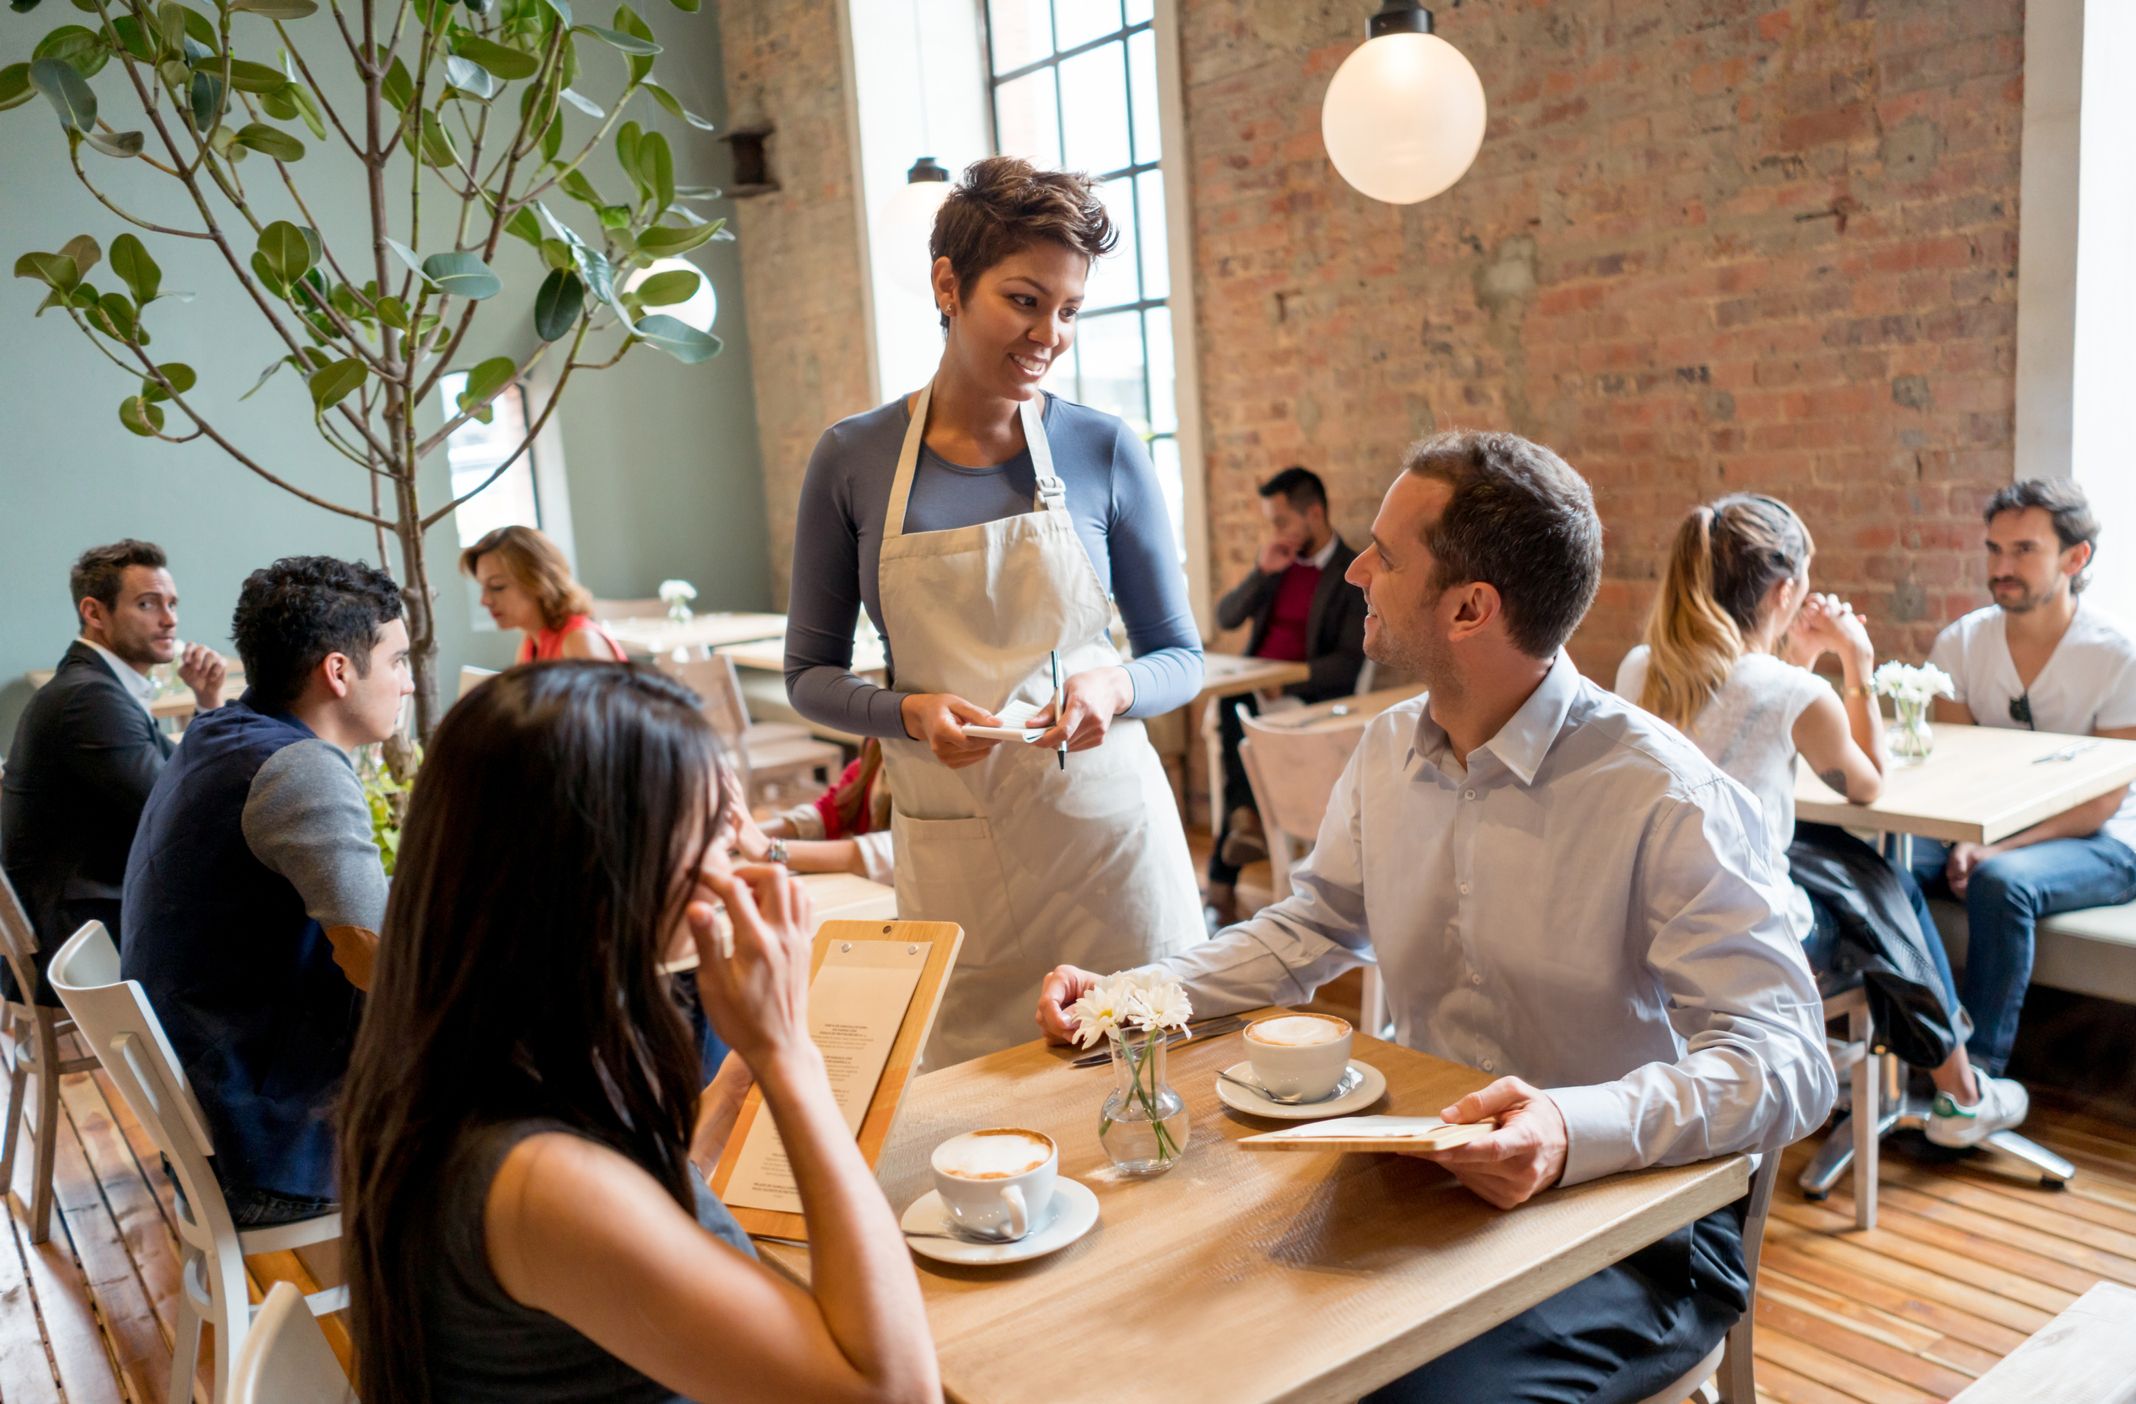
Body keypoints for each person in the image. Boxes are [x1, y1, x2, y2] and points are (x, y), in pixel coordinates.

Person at [1036, 432, 1834, 1404]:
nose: (1358, 572)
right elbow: (1307, 930)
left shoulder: (1663, 793)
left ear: (1470, 608)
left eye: (1386, 554)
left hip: (1628, 1223)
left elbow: (1789, 1060)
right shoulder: (1383, 752)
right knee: (1164, 1329)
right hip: (1417, 1178)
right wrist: (1131, 997)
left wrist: (1569, 1127)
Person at [339, 662, 939, 1404]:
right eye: (714, 832)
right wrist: (788, 1055)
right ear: (607, 870)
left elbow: (640, 1204)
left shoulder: (469, 1052)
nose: (740, 859)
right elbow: (893, 1391)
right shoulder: (539, 1182)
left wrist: (727, 1096)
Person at [785, 155, 1206, 1064]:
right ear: (948, 284)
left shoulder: (1101, 448)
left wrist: (1115, 689)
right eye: (1024, 300)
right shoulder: (853, 460)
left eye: (1069, 310)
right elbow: (808, 675)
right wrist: (905, 712)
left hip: (1111, 856)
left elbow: (1180, 655)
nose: (1049, 334)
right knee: (980, 1127)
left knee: (1148, 1111)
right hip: (956, 860)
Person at [1616, 494, 2026, 1145]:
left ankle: (1921, 1081)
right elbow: (1868, 783)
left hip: (1649, 916)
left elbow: (1747, 735)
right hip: (1748, 932)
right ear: (1784, 591)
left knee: (1859, 873)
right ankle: (1958, 1091)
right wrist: (1854, 661)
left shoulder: (1641, 667)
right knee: (1885, 889)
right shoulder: (1793, 692)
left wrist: (1796, 661)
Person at [121, 556, 410, 1226]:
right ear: (338, 672)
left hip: (224, 1107)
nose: (408, 684)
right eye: (396, 661)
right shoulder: (299, 768)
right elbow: (375, 959)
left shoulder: (222, 731)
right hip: (274, 1140)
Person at [1913, 478, 2136, 1111]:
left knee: (2002, 881)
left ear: (2076, 558)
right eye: (1994, 550)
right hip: (1984, 832)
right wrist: (1963, 839)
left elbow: (2100, 800)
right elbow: (1950, 771)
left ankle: (1975, 1087)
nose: (2001, 568)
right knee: (1882, 862)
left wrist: (1992, 847)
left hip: (2107, 840)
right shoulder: (1961, 643)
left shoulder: (2117, 655)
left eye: (2023, 551)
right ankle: (1925, 1048)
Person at [1, 540, 225, 999]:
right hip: (77, 943)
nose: (170, 619)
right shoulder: (89, 698)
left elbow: (178, 777)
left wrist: (206, 703)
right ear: (94, 612)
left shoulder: (95, 686)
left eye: (172, 604)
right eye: (148, 604)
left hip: (80, 917)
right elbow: (178, 810)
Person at [1205, 466, 1367, 923]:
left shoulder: (1350, 573)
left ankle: (1224, 876)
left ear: (1313, 514)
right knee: (1234, 704)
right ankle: (1243, 820)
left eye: (1281, 521)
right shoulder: (1277, 566)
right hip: (1254, 694)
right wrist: (1261, 571)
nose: (1275, 532)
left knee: (1238, 711)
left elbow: (1349, 662)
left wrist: (1289, 679)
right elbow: (1227, 617)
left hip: (1305, 701)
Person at [728, 739, 895, 883]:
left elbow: (892, 854)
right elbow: (832, 810)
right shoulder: (878, 747)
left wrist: (769, 849)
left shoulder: (917, 763)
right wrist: (743, 832)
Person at [460, 524, 627, 662]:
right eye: (483, 587)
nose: (485, 600)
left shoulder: (578, 641)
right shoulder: (530, 643)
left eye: (497, 586)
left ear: (538, 582)